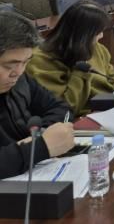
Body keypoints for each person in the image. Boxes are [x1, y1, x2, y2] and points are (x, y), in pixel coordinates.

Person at [0, 12, 74, 179]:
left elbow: (60, 107)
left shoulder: (21, 80)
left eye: (25, 62)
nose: (18, 72)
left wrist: (42, 136)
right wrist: (39, 147)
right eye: (9, 66)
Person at [26, 1, 114, 116]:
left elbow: (113, 79)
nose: (101, 36)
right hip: (77, 118)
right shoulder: (39, 61)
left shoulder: (97, 48)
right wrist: (80, 72)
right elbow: (64, 108)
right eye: (97, 32)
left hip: (108, 108)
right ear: (82, 35)